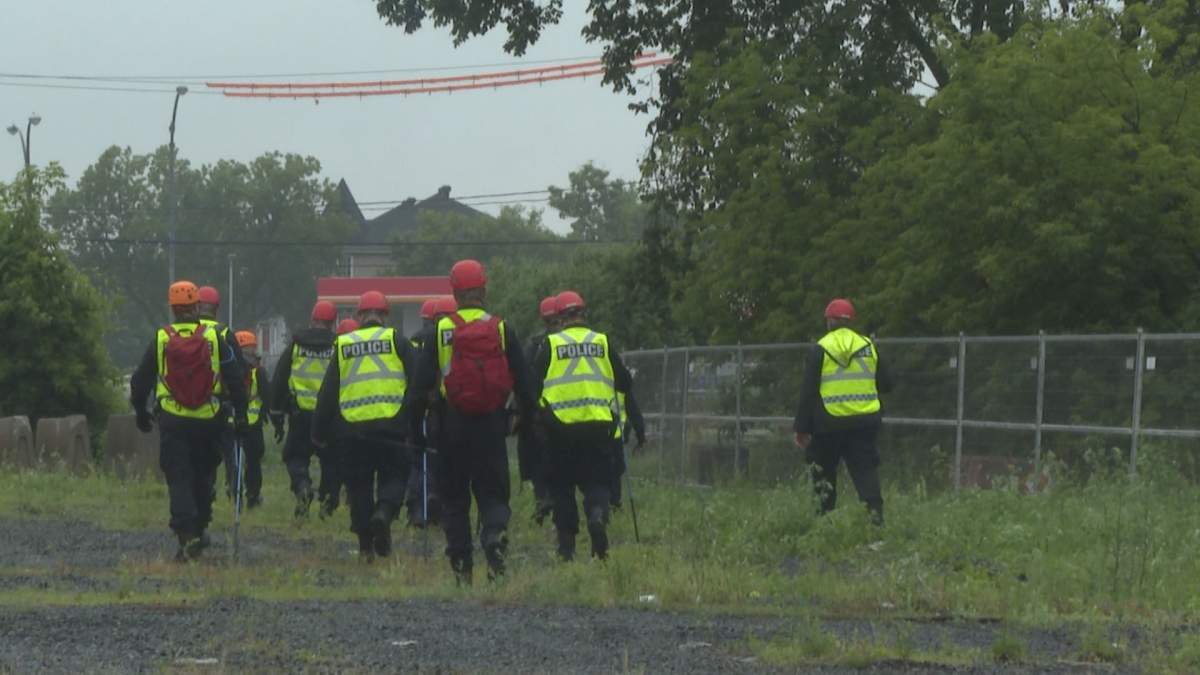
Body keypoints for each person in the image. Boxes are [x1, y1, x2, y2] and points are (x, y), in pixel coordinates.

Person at [409, 260, 534, 584]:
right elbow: (525, 383)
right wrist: (525, 421)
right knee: (493, 494)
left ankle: (463, 571)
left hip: (451, 426)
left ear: (454, 292)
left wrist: (416, 434)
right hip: (491, 425)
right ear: (484, 290)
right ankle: (494, 538)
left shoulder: (441, 330)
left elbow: (419, 387)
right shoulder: (501, 328)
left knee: (454, 500)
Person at [130, 281, 247, 562]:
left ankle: (187, 535)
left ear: (172, 309)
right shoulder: (215, 336)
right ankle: (201, 524)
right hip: (209, 420)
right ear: (197, 306)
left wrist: (140, 411)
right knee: (204, 474)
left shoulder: (162, 338)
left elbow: (140, 380)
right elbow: (235, 377)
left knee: (179, 477)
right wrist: (241, 412)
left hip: (174, 421)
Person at [532, 290, 637, 561]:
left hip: (561, 431)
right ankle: (598, 516)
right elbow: (625, 383)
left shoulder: (551, 345)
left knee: (562, 488)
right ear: (583, 313)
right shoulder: (602, 342)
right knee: (597, 482)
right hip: (599, 427)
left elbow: (532, 387)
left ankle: (566, 548)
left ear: (560, 316)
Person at [312, 291, 415, 561]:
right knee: (395, 476)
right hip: (392, 426)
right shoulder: (398, 341)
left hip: (352, 430)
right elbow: (416, 384)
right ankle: (384, 512)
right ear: (385, 315)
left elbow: (328, 392)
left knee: (358, 486)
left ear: (358, 317)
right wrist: (414, 422)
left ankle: (365, 547)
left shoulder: (344, 345)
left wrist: (319, 433)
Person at [792, 298, 893, 525]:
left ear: (829, 322)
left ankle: (824, 521)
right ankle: (876, 520)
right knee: (866, 470)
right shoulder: (868, 346)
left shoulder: (821, 348)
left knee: (824, 472)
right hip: (865, 422)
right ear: (851, 322)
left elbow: (808, 392)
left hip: (828, 423)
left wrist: (801, 428)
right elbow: (887, 383)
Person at [270, 300, 340, 519]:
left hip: (300, 416)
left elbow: (280, 379)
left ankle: (302, 487)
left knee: (295, 457)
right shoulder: (339, 346)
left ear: (313, 320)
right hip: (330, 418)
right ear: (333, 323)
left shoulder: (296, 346)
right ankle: (327, 505)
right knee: (331, 462)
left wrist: (276, 414)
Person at [403, 296, 457, 528]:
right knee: (447, 460)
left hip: (425, 404)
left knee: (419, 459)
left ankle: (417, 508)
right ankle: (442, 504)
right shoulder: (458, 337)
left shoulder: (416, 341)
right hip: (451, 408)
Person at [518, 296, 561, 524]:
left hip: (541, 413)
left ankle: (543, 499)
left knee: (537, 460)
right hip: (567, 413)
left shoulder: (535, 344)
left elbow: (526, 377)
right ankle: (555, 500)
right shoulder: (573, 342)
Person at [224, 330, 270, 509]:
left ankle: (234, 491)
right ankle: (253, 495)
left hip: (232, 420)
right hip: (252, 422)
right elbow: (267, 394)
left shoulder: (229, 367)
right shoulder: (258, 370)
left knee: (233, 460)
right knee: (253, 462)